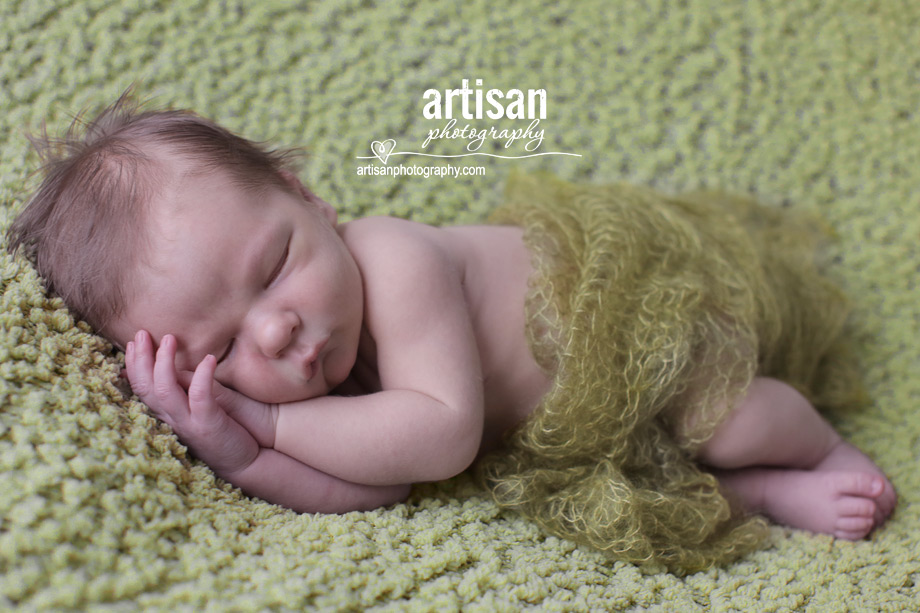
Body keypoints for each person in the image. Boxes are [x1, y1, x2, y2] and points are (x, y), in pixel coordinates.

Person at [6, 94, 897, 571]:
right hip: (577, 436)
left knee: (730, 421)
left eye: (275, 265)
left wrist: (267, 424)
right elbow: (375, 491)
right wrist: (232, 450)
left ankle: (815, 448)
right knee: (643, 491)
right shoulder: (327, 380)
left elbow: (437, 436)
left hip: (634, 342)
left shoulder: (391, 257)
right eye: (221, 354)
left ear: (309, 199)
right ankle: (772, 495)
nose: (275, 332)